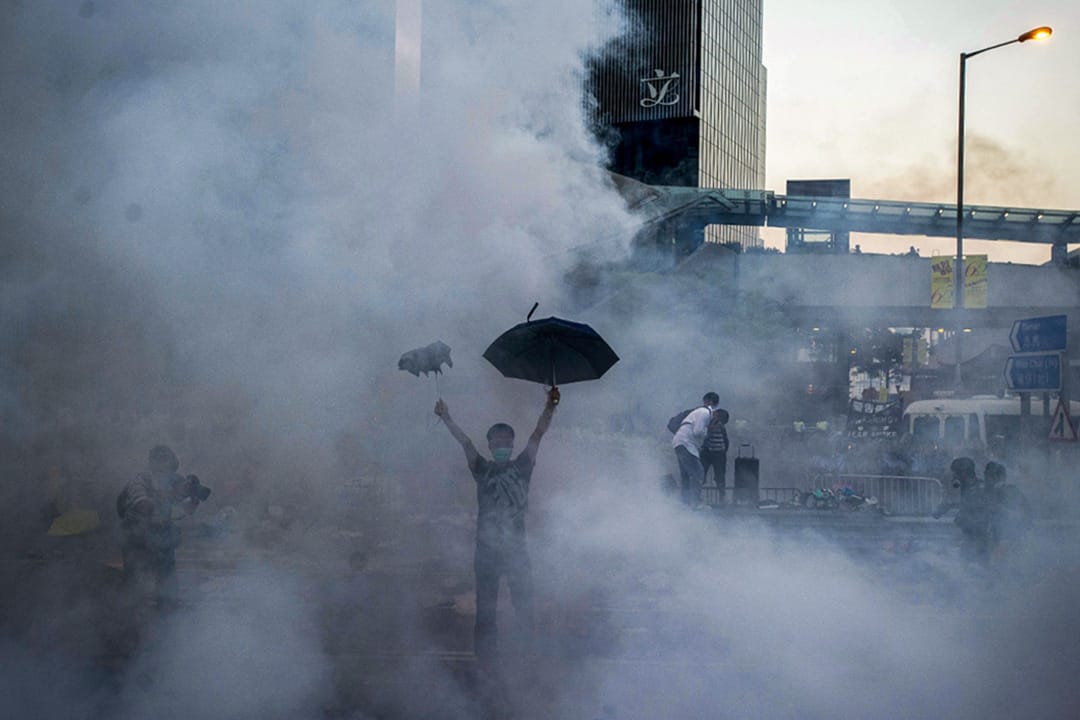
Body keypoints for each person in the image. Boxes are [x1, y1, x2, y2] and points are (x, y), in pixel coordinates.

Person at [434, 386, 559, 662]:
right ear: (490, 445)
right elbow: (465, 443)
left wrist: (550, 406)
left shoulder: (523, 466)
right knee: (486, 614)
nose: (502, 444)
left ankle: (528, 659)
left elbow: (538, 433)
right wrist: (446, 418)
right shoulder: (482, 469)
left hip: (516, 551)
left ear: (512, 445)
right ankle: (485, 665)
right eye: (497, 441)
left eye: (506, 440)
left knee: (524, 609)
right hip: (487, 553)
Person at [117, 445, 208, 611]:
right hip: (137, 541)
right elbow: (143, 506)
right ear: (154, 464)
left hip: (163, 541)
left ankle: (168, 625)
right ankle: (129, 627)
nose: (168, 472)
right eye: (163, 464)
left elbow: (179, 512)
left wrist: (192, 501)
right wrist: (172, 493)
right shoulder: (140, 480)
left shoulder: (175, 480)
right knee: (134, 592)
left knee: (168, 594)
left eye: (170, 466)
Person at [672, 392, 718, 508]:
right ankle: (696, 502)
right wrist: (708, 430)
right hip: (686, 443)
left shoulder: (699, 412)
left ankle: (685, 503)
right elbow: (698, 431)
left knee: (686, 474)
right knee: (698, 472)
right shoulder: (706, 412)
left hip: (680, 442)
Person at [700, 406, 729, 504]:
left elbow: (725, 440)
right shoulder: (707, 421)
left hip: (718, 453)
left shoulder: (720, 426)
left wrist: (724, 452)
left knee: (720, 476)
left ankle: (722, 498)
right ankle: (696, 496)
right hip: (707, 452)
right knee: (701, 474)